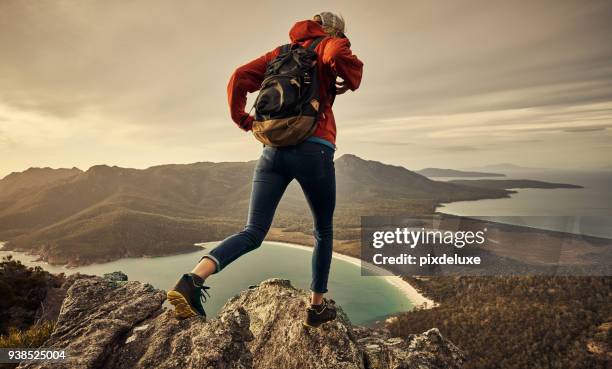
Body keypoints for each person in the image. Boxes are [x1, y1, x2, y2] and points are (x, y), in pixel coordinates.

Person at [167, 12, 363, 328]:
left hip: (272, 151)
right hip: (314, 148)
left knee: (254, 231)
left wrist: (244, 120)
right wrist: (340, 52)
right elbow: (338, 55)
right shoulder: (328, 45)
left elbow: (238, 77)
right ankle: (316, 308)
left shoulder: (279, 54)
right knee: (323, 230)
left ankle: (192, 280)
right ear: (334, 32)